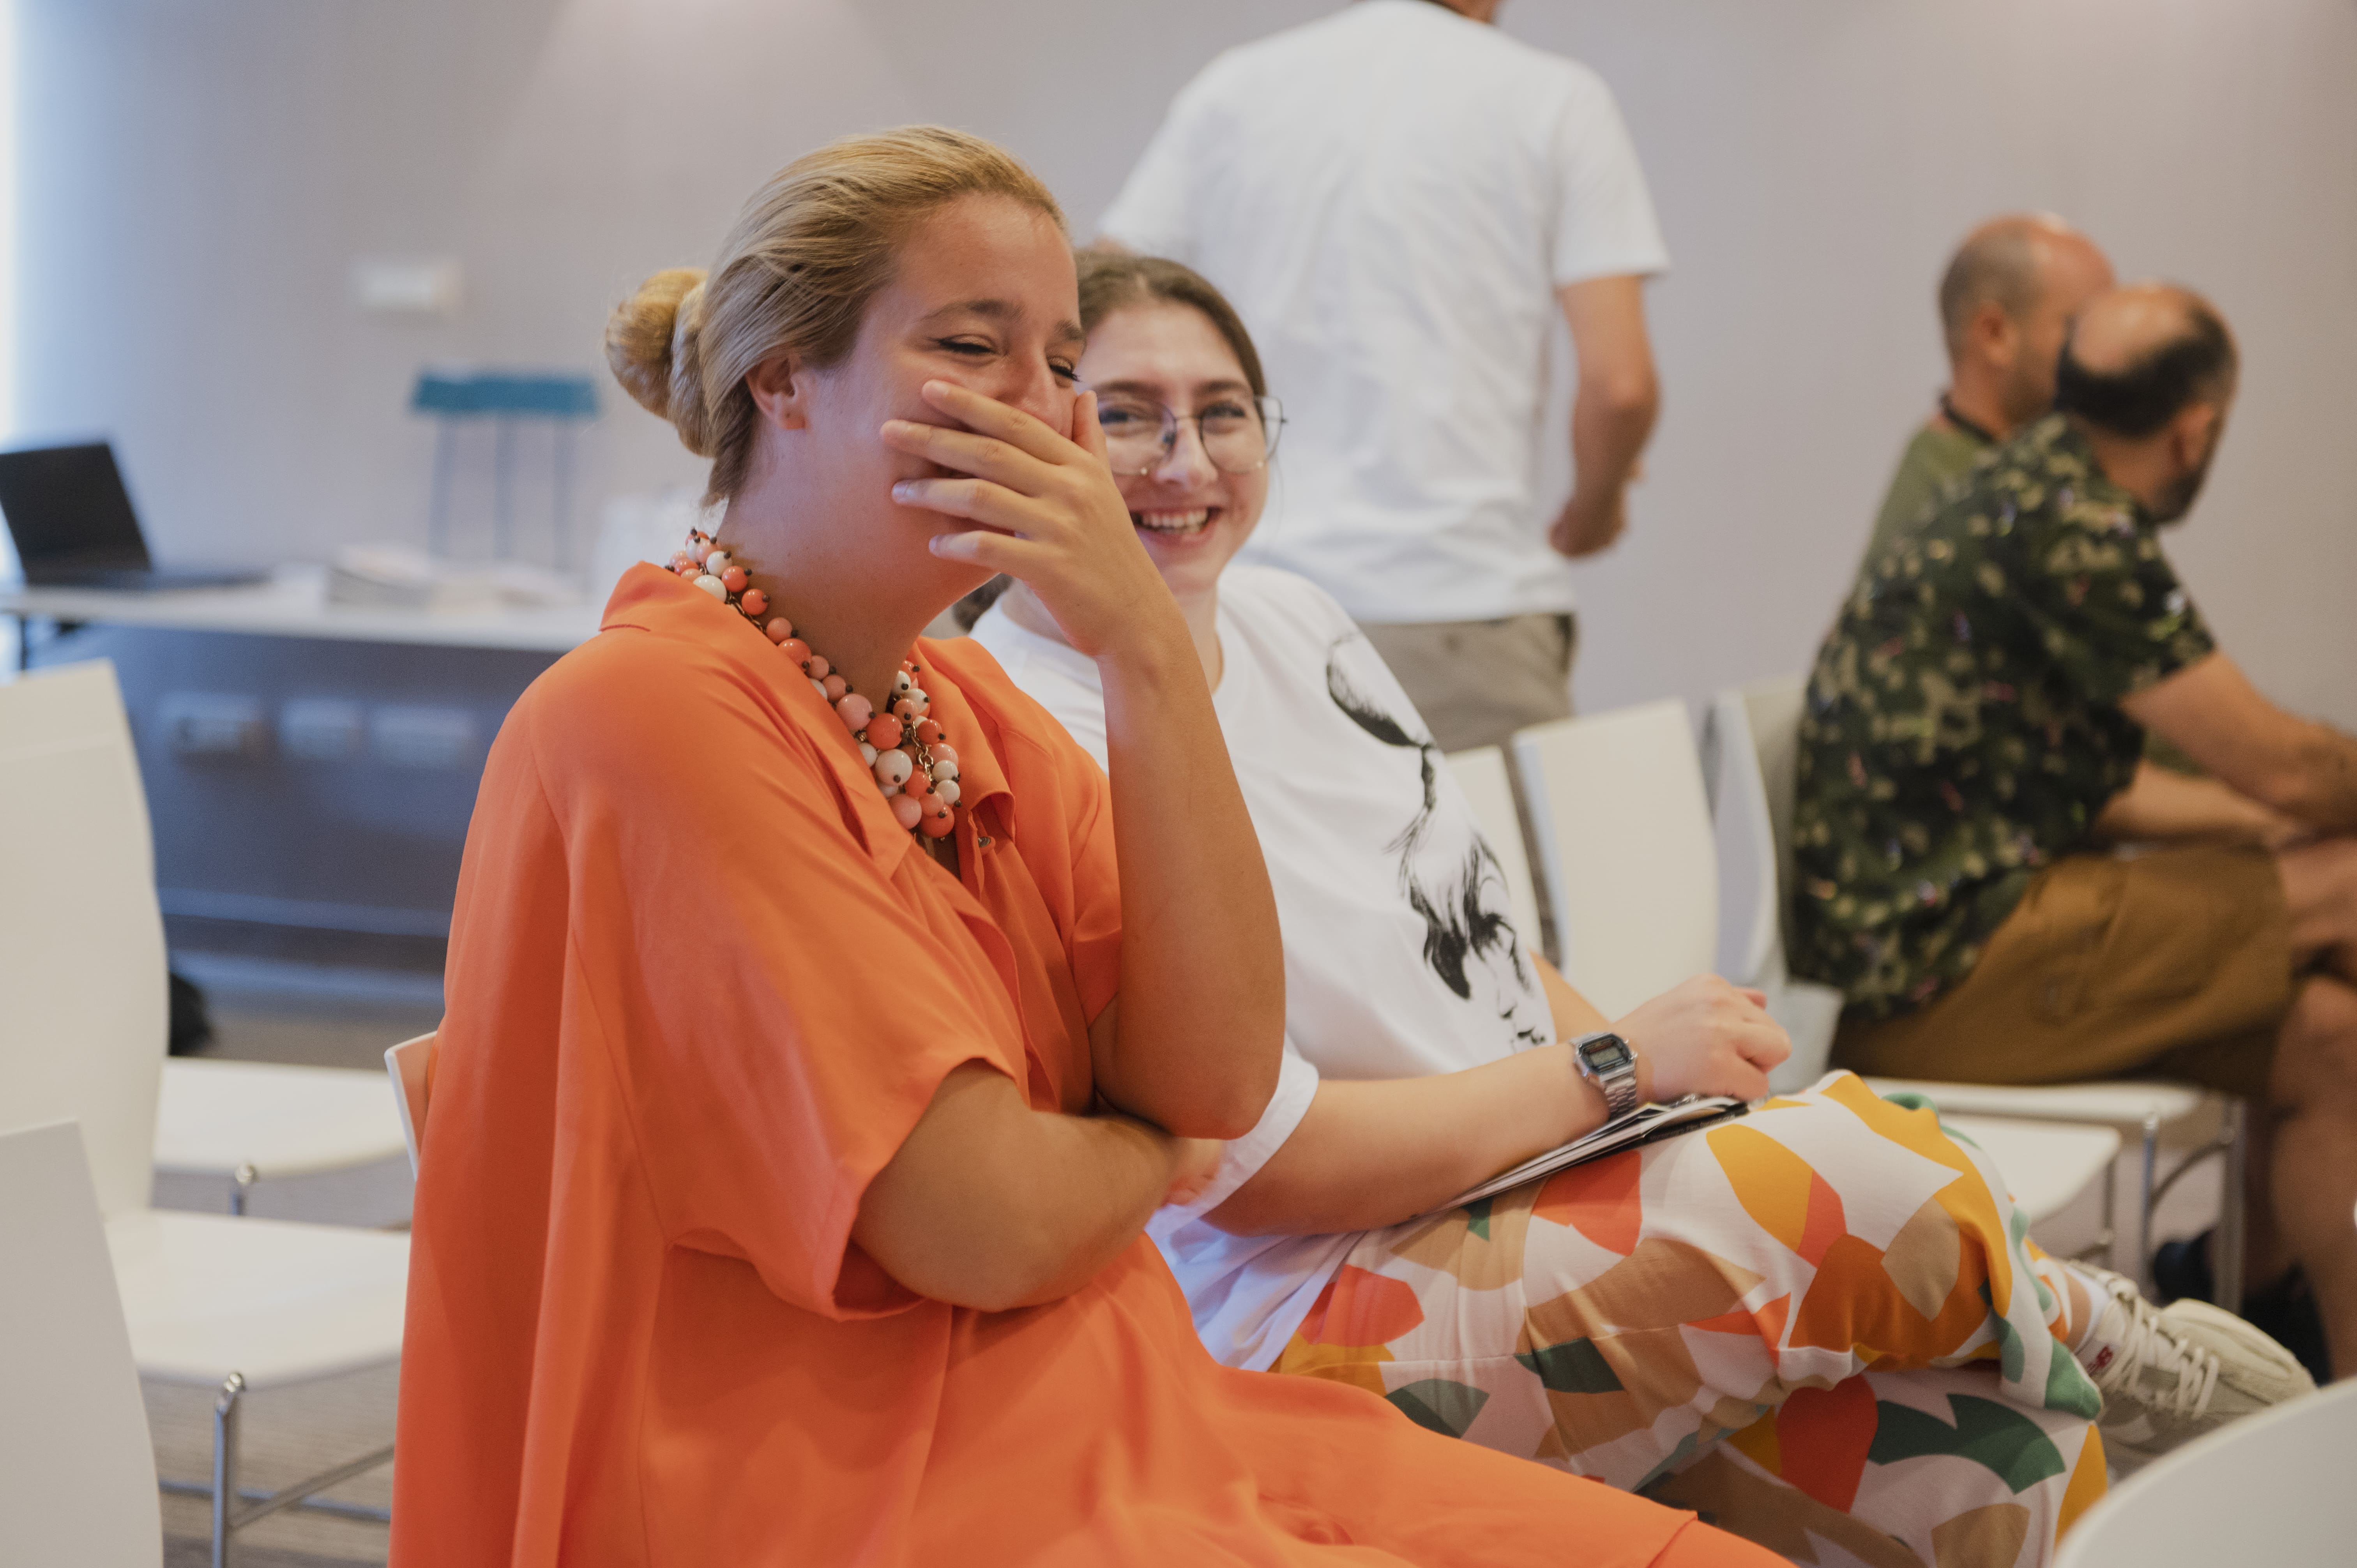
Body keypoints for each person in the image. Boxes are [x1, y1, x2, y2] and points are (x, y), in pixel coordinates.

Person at [389, 127, 1788, 1568]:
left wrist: (1142, 643)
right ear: (783, 379)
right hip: (851, 1494)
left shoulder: (960, 706)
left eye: (1059, 360)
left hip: (1129, 1416)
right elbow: (990, 1221)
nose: (1043, 409)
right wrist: (1162, 1146)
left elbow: (1216, 1076)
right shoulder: (652, 711)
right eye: (969, 345)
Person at [968, 253, 2309, 1566]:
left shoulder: (1295, 618)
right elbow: (1267, 1173)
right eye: (1127, 413)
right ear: (1045, 432)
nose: (1184, 459)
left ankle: (2070, 1355)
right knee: (1851, 1176)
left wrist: (1653, 1118)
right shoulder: (1018, 722)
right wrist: (1615, 1071)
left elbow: (1485, 945)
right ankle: (2104, 1334)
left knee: (1988, 1452)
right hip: (1314, 1306)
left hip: (1526, 1188)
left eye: (1222, 411)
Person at [1792, 282, 2357, 1385]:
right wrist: (2284, 807)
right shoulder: (2074, 525)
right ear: (2195, 430)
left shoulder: (2030, 482)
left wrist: (2268, 819)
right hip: (1935, 969)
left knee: (2331, 1040)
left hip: (1951, 929)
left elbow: (2115, 790)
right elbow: (2283, 763)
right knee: (2344, 881)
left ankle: (2307, 1377)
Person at [1096, 0, 1666, 752]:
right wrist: (1594, 508)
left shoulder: (1235, 89)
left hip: (1246, 601)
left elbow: (1097, 301)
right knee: (1478, 836)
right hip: (1462, 613)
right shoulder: (1554, 98)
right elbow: (1620, 387)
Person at [1861, 215, 2116, 568]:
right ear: (1995, 335)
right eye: (2080, 327)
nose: (2106, 355)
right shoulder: (1958, 513)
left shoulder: (1988, 471)